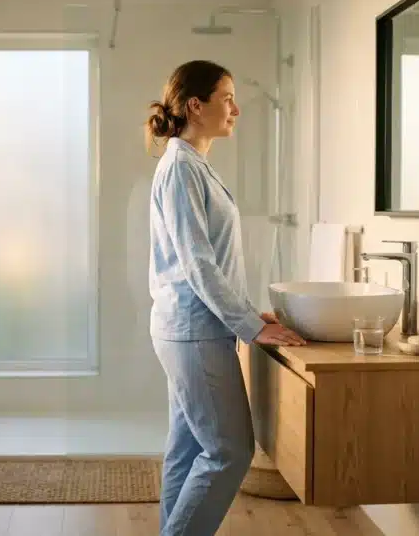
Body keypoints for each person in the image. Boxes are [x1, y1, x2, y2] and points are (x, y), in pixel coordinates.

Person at [145, 59, 308, 535]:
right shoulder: (180, 168)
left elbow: (205, 258)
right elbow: (197, 264)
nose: (236, 108)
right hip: (193, 332)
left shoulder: (191, 164)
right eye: (227, 98)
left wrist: (244, 310)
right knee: (230, 451)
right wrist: (252, 326)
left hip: (194, 327)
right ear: (196, 106)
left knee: (188, 449)